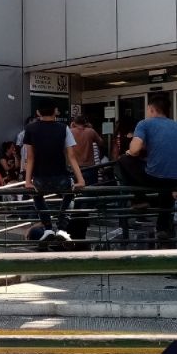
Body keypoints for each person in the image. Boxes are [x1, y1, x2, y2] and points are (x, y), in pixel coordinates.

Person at [117, 94, 177, 247]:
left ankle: (139, 199)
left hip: (153, 177)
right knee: (166, 190)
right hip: (175, 178)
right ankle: (162, 229)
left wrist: (130, 152)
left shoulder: (144, 124)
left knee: (122, 161)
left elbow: (135, 149)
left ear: (152, 109)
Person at [23, 98, 86, 248]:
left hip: (39, 178)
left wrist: (27, 181)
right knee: (70, 192)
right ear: (55, 112)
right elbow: (71, 156)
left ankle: (48, 228)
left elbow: (30, 157)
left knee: (37, 196)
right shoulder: (63, 128)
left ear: (38, 112)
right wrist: (81, 180)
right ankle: (62, 229)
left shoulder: (30, 129)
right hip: (61, 177)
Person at [70, 116, 104, 186]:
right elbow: (101, 142)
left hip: (74, 167)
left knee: (73, 190)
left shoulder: (70, 132)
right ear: (85, 123)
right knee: (91, 190)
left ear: (74, 123)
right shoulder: (90, 131)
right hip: (90, 166)